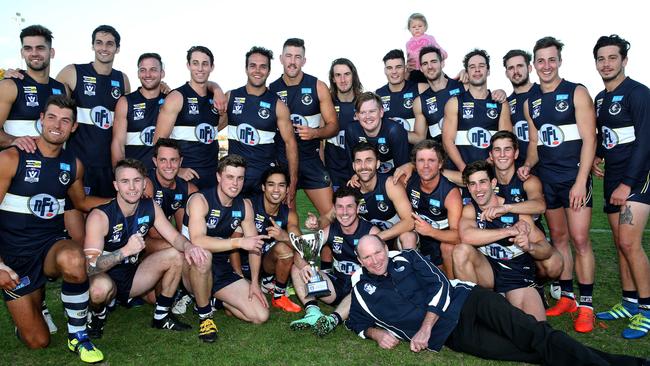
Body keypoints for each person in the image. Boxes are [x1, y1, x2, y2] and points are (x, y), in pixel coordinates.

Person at [347, 234, 647, 366]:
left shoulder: (408, 257)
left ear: (386, 249)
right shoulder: (360, 288)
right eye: (368, 257)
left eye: (378, 252)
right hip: (452, 335)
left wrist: (425, 328)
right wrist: (375, 333)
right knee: (525, 352)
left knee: (533, 334)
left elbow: (440, 285)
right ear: (360, 261)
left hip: (469, 300)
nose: (375, 260)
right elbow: (356, 322)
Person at [0, 95, 107, 363]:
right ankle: (31, 307)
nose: (57, 125)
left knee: (74, 258)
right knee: (38, 341)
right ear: (40, 120)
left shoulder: (73, 165)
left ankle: (78, 335)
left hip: (49, 246)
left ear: (73, 127)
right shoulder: (11, 158)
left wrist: (127, 196)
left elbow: (81, 202)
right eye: (51, 117)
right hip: (13, 256)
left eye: (65, 120)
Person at [518, 36, 598, 333]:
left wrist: (580, 182)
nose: (546, 65)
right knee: (559, 239)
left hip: (573, 179)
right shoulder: (531, 101)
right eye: (541, 61)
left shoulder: (576, 92)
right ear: (534, 65)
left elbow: (590, 139)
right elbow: (537, 143)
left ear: (560, 61)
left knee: (580, 240)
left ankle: (587, 305)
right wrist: (527, 164)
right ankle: (567, 296)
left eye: (552, 59)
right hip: (548, 181)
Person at [0, 25, 75, 332]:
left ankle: (39, 300)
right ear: (22, 53)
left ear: (51, 52)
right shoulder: (10, 85)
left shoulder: (61, 89)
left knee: (46, 232)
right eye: (28, 48)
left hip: (51, 176)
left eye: (40, 48)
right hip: (14, 172)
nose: (35, 53)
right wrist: (11, 141)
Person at [84, 159, 209, 339]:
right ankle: (97, 315)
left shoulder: (149, 206)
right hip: (104, 276)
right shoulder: (100, 215)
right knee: (98, 290)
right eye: (125, 181)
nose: (132, 187)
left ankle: (162, 316)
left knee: (176, 254)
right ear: (116, 185)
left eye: (137, 180)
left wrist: (189, 246)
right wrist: (125, 251)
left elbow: (174, 237)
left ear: (144, 183)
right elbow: (91, 267)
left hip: (133, 276)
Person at [592, 34, 650, 339]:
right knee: (619, 244)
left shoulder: (639, 93)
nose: (606, 63)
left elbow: (645, 141)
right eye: (601, 58)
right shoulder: (600, 99)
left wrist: (628, 183)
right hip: (613, 178)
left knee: (630, 243)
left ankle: (647, 309)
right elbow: (606, 137)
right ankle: (628, 302)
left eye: (612, 57)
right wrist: (596, 157)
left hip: (636, 179)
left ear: (624, 60)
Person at [453, 160, 561, 320]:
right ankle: (472, 310)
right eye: (472, 184)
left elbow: (546, 250)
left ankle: (530, 292)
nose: (478, 190)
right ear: (468, 188)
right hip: (489, 273)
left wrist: (529, 246)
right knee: (460, 251)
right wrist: (509, 231)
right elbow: (467, 236)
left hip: (516, 276)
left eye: (482, 182)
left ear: (493, 183)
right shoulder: (470, 209)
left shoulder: (516, 210)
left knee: (535, 329)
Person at [183, 154, 269, 343]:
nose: (235, 183)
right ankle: (205, 316)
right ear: (219, 177)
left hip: (220, 266)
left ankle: (217, 301)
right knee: (203, 256)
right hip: (190, 265)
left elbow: (255, 245)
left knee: (260, 315)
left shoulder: (245, 205)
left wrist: (254, 282)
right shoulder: (200, 200)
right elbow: (197, 240)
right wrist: (237, 243)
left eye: (240, 178)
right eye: (230, 177)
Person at [289, 186, 380, 336]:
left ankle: (332, 320)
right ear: (334, 209)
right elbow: (300, 252)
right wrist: (305, 266)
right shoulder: (331, 229)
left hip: (361, 291)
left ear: (358, 209)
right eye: (340, 207)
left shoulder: (372, 232)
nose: (344, 212)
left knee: (362, 287)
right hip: (337, 287)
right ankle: (313, 313)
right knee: (297, 268)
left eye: (349, 206)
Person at [56, 25, 130, 199]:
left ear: (117, 49)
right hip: (79, 162)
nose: (104, 48)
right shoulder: (72, 72)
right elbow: (47, 95)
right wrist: (19, 75)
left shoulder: (122, 80)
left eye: (110, 44)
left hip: (108, 164)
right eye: (99, 43)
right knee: (77, 212)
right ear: (92, 46)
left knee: (108, 214)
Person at [269, 38, 338, 215]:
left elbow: (333, 126)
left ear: (304, 61)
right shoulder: (271, 89)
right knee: (283, 220)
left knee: (331, 215)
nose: (292, 61)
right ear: (281, 58)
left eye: (297, 57)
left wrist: (316, 133)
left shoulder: (317, 86)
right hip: (282, 163)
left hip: (310, 161)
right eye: (289, 56)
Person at [220, 46, 298, 201]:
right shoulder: (231, 97)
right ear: (246, 68)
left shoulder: (278, 105)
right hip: (236, 178)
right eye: (253, 65)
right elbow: (212, 128)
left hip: (264, 179)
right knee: (233, 223)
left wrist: (293, 181)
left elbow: (291, 144)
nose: (258, 70)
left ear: (269, 71)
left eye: (263, 67)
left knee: (266, 224)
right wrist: (214, 87)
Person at [229, 166, 302, 313]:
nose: (276, 190)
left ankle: (278, 295)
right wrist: (238, 275)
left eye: (281, 185)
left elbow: (302, 245)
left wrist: (284, 237)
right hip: (243, 264)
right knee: (232, 311)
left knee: (285, 248)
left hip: (266, 264)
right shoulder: (248, 205)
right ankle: (247, 281)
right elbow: (233, 243)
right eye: (271, 184)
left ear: (287, 189)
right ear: (263, 187)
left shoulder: (289, 214)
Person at [153, 46, 222, 189]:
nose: (200, 68)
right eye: (195, 63)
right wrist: (177, 170)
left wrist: (217, 88)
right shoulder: (176, 97)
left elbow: (219, 126)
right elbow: (158, 142)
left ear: (212, 67)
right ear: (188, 65)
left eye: (205, 64)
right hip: (186, 177)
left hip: (211, 175)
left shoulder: (216, 99)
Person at [442, 49, 512, 176]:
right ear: (467, 72)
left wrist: (484, 168)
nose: (477, 70)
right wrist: (465, 170)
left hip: (491, 173)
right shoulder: (454, 102)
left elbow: (506, 142)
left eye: (481, 66)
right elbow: (447, 141)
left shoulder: (501, 103)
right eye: (472, 67)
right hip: (461, 173)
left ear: (488, 71)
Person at [404, 140, 462, 277]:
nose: (425, 166)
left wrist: (430, 231)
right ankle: (410, 282)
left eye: (431, 160)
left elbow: (458, 236)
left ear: (440, 164)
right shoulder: (408, 180)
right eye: (421, 160)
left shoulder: (450, 193)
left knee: (447, 248)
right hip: (419, 237)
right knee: (406, 236)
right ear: (414, 164)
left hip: (440, 240)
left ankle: (450, 287)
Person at [111, 53, 166, 170]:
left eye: (153, 70)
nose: (147, 74)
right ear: (138, 73)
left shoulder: (171, 100)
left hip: (163, 175)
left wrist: (216, 88)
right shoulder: (125, 102)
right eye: (143, 70)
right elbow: (118, 144)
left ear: (162, 73)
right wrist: (121, 174)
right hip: (135, 176)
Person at [143, 138, 198, 253]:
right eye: (163, 160)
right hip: (141, 239)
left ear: (180, 161)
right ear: (155, 161)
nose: (169, 165)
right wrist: (182, 244)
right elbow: (153, 232)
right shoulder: (146, 184)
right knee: (179, 249)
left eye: (173, 160)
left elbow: (185, 230)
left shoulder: (188, 189)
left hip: (167, 238)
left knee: (192, 249)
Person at [345, 92, 410, 175]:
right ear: (357, 115)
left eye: (372, 111)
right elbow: (352, 165)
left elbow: (402, 169)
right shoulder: (351, 130)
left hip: (392, 177)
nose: (367, 116)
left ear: (381, 112)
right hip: (365, 177)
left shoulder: (395, 131)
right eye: (363, 112)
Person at [325, 58, 363, 190]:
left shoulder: (363, 103)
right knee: (337, 210)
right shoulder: (327, 104)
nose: (343, 79)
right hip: (333, 172)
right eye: (338, 75)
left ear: (353, 76)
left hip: (360, 171)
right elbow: (319, 141)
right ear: (333, 79)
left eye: (347, 74)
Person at [411, 46, 464, 142]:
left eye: (434, 62)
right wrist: (395, 129)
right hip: (441, 155)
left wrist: (500, 93)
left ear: (442, 63)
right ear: (421, 69)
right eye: (425, 63)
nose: (430, 67)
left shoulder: (463, 86)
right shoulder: (420, 102)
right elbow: (419, 138)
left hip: (466, 155)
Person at [503, 49, 539, 167]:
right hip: (521, 167)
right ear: (506, 73)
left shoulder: (543, 93)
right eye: (511, 68)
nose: (516, 71)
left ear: (529, 68)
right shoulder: (506, 103)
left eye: (520, 66)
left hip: (548, 165)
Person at [375, 49, 420, 140]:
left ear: (405, 68)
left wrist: (396, 130)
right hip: (390, 152)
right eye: (389, 68)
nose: (394, 71)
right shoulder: (378, 94)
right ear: (385, 70)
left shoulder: (419, 88)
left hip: (414, 151)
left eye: (398, 67)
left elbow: (420, 138)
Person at [404, 12, 447, 83]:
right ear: (409, 29)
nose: (417, 28)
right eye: (414, 27)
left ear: (425, 27)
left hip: (429, 68)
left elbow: (440, 51)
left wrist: (441, 58)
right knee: (415, 88)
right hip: (415, 71)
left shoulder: (429, 38)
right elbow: (409, 59)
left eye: (420, 26)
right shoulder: (408, 44)